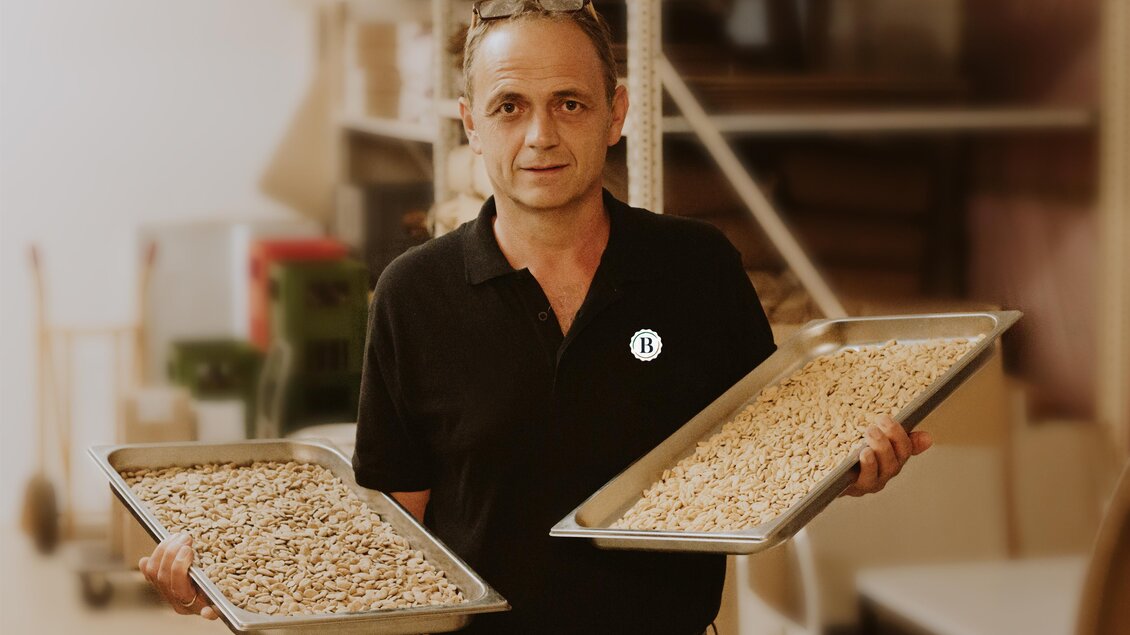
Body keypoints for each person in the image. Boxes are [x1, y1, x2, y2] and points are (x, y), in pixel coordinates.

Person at [140, 1, 933, 632]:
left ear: (616, 114)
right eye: (510, 106)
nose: (540, 136)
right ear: (470, 122)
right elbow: (391, 535)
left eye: (569, 103)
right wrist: (232, 579)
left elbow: (768, 460)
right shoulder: (414, 295)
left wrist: (845, 470)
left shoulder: (698, 269)